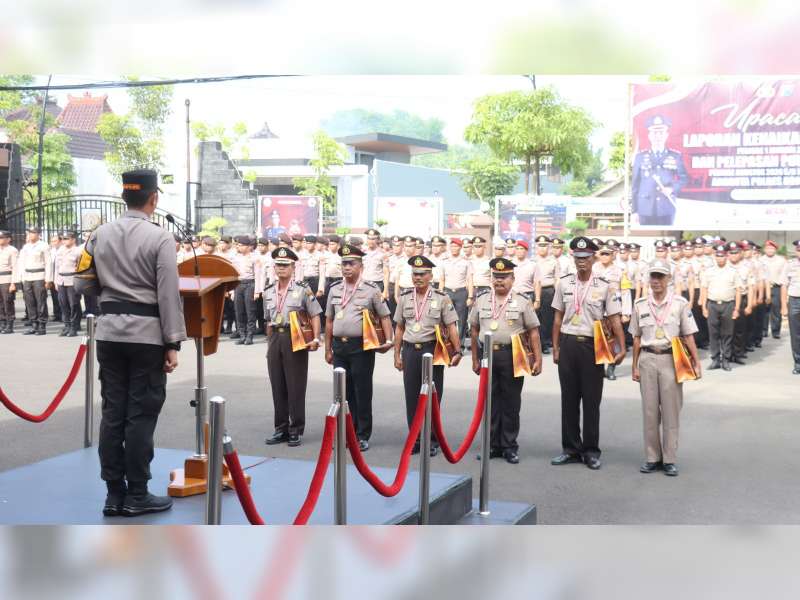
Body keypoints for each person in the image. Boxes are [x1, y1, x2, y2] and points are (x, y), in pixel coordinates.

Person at [74, 168, 186, 517]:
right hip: (147, 336)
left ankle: (113, 494)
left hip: (109, 333)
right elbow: (168, 294)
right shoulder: (160, 238)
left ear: (125, 196)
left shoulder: (98, 235)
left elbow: (82, 283)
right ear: (154, 198)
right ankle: (137, 493)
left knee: (112, 413)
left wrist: (110, 295)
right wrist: (173, 342)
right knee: (140, 415)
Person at [551, 236, 625, 470]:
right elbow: (556, 318)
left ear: (593, 258)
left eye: (585, 257)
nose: (581, 261)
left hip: (593, 347)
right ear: (573, 258)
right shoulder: (564, 283)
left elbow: (614, 319)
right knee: (569, 400)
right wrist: (555, 347)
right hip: (569, 344)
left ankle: (591, 450)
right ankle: (571, 448)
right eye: (577, 257)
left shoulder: (605, 286)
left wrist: (621, 347)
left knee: (592, 401)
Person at [630, 260, 701, 477]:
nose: (656, 281)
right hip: (648, 358)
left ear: (669, 279)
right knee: (650, 412)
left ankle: (669, 459)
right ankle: (652, 457)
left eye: (661, 276)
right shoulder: (640, 304)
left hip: (671, 360)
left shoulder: (680, 304)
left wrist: (696, 363)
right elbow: (636, 338)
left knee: (671, 412)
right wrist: (634, 366)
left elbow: (688, 335)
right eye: (653, 276)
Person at [469, 257, 542, 464]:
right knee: (489, 401)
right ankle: (491, 445)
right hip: (487, 355)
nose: (499, 281)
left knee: (510, 402)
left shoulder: (522, 301)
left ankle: (509, 446)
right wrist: (474, 358)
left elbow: (533, 332)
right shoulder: (481, 300)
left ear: (512, 278)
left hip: (513, 355)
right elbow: (474, 330)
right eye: (496, 277)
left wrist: (538, 360)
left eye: (504, 277)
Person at [324, 244, 393, 451]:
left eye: (351, 264)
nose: (346, 268)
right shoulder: (335, 289)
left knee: (361, 390)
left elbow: (384, 316)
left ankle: (362, 434)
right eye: (344, 263)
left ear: (360, 266)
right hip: (339, 347)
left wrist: (388, 340)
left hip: (362, 346)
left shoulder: (371, 290)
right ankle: (346, 431)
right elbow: (329, 320)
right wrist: (327, 348)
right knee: (342, 392)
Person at [393, 255, 462, 456]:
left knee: (432, 396)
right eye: (415, 274)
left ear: (430, 275)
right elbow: (399, 328)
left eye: (422, 274)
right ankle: (415, 438)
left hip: (432, 350)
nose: (418, 277)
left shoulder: (442, 298)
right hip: (410, 351)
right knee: (412, 396)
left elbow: (451, 326)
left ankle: (432, 438)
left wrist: (456, 351)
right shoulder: (405, 298)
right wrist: (397, 355)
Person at [263, 247, 322, 447]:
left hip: (295, 337)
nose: (281, 269)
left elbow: (314, 314)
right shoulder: (269, 291)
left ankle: (295, 429)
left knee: (295, 385)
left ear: (293, 267)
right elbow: (267, 320)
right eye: (278, 265)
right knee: (277, 385)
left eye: (285, 265)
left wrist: (315, 339)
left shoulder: (302, 289)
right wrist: (269, 346)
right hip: (275, 338)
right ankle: (280, 428)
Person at [631, 115, 688, 226]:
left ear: (666, 135)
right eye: (654, 133)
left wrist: (672, 189)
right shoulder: (640, 157)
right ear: (649, 136)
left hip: (666, 208)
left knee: (666, 240)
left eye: (661, 133)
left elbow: (684, 179)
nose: (658, 136)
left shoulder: (675, 156)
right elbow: (635, 185)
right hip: (645, 208)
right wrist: (634, 211)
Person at [700, 244, 742, 371]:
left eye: (722, 256)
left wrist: (737, 309)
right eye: (717, 256)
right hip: (712, 305)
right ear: (714, 257)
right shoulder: (708, 272)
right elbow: (704, 289)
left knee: (727, 333)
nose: (720, 259)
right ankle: (715, 360)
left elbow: (738, 290)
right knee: (713, 334)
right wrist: (703, 307)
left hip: (728, 305)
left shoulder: (733, 272)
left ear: (726, 256)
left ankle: (726, 360)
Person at [14, 226, 52, 336]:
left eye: (33, 232)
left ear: (38, 234)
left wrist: (48, 279)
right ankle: (34, 324)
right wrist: (22, 278)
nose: (30, 234)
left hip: (39, 276)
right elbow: (21, 263)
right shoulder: (26, 247)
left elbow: (48, 263)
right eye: (29, 233)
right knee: (30, 302)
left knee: (40, 302)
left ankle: (42, 325)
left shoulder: (44, 246)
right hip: (27, 277)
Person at [442, 237, 473, 347]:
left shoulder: (466, 262)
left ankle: (460, 345)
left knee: (461, 320)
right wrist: (441, 294)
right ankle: (449, 343)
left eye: (456, 246)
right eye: (452, 246)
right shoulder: (444, 262)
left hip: (461, 293)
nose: (454, 248)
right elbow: (442, 279)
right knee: (448, 320)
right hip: (447, 292)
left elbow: (469, 280)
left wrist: (470, 296)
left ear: (460, 248)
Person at [533, 235, 559, 355]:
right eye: (540, 246)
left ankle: (544, 343)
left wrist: (558, 294)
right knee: (533, 318)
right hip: (533, 292)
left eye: (545, 246)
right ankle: (534, 343)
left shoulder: (553, 261)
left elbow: (557, 279)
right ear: (536, 247)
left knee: (547, 319)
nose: (542, 248)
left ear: (548, 247)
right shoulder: (532, 261)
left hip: (548, 291)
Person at [230, 235, 257, 345]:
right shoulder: (234, 258)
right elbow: (232, 275)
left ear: (247, 246)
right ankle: (242, 335)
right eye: (238, 245)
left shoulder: (254, 258)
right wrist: (231, 290)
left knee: (250, 311)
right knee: (239, 310)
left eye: (241, 245)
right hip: (238, 285)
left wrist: (257, 291)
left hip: (250, 284)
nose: (238, 247)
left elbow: (258, 275)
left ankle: (250, 336)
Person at [54, 231, 83, 337]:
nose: (63, 241)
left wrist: (79, 281)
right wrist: (56, 281)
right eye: (62, 239)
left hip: (72, 279)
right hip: (61, 279)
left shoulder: (78, 251)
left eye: (66, 239)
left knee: (73, 304)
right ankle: (66, 326)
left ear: (73, 240)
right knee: (63, 304)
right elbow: (57, 267)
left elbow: (82, 268)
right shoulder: (60, 250)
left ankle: (74, 327)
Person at [780, 240, 800, 374]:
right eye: (799, 249)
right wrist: (784, 306)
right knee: (796, 335)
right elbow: (784, 285)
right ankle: (798, 363)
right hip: (794, 301)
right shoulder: (790, 265)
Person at [762, 240, 787, 339]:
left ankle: (776, 331)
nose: (770, 250)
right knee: (764, 311)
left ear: (775, 250)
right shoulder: (760, 260)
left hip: (776, 287)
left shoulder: (781, 260)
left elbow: (784, 275)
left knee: (776, 310)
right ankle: (763, 330)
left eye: (772, 248)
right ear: (765, 249)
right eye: (768, 248)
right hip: (764, 288)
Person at [0, 230, 19, 334]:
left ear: (8, 239)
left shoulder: (12, 250)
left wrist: (13, 283)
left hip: (7, 279)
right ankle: (2, 323)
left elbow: (15, 267)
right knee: (0, 303)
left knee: (8, 302)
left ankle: (9, 324)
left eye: (2, 238)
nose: (0, 240)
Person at [362, 228, 388, 293]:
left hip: (377, 284)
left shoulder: (383, 253)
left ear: (377, 240)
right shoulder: (362, 252)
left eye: (373, 239)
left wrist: (385, 291)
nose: (371, 241)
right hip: (364, 283)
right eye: (369, 238)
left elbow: (386, 273)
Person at [48, 234, 63, 323]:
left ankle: (63, 314)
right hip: (52, 276)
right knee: (54, 296)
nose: (53, 243)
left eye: (55, 241)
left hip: (60, 276)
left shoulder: (62, 250)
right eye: (52, 241)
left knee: (61, 297)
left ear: (60, 241)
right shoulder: (51, 251)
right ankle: (56, 314)